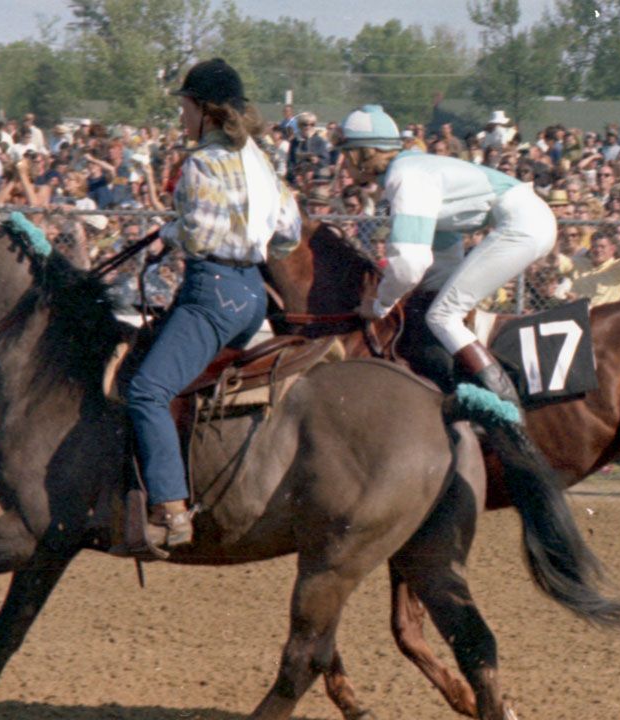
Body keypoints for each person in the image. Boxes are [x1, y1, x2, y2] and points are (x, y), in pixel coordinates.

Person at [125, 58, 301, 556]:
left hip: (213, 294)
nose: (180, 116)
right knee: (194, 387)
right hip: (251, 298)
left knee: (147, 391)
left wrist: (167, 232)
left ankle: (173, 510)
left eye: (184, 105)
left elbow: (199, 233)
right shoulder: (260, 160)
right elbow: (287, 233)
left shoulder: (201, 163)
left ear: (205, 110)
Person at [340, 103, 555, 404]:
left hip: (524, 224)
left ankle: (504, 406)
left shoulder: (404, 176)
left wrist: (379, 305)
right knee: (440, 309)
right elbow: (446, 249)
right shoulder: (413, 168)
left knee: (443, 315)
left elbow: (409, 265)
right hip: (528, 220)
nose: (343, 166)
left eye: (345, 155)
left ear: (361, 154)